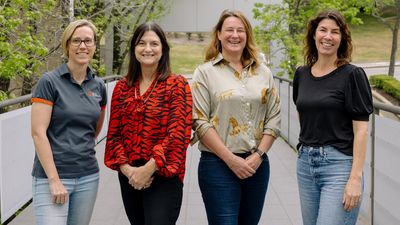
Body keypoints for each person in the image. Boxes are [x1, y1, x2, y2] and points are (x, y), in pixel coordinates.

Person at [191, 9, 281, 225]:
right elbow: (200, 121)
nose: (235, 35)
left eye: (240, 30)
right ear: (219, 35)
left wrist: (258, 155)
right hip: (217, 165)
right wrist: (231, 160)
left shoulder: (263, 72)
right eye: (229, 29)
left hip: (256, 165)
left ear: (247, 35)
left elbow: (274, 117)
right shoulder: (204, 72)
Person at [104, 22, 192, 225]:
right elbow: (114, 135)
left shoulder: (176, 85)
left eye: (154, 43)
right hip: (129, 177)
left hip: (163, 175)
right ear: (134, 48)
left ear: (163, 49)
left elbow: (178, 135)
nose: (147, 49)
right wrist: (129, 171)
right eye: (141, 43)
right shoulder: (122, 88)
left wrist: (148, 169)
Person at [293, 9, 373, 225]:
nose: (328, 36)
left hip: (339, 167)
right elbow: (304, 114)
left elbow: (362, 130)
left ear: (342, 38)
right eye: (323, 30)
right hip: (305, 165)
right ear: (313, 34)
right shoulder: (301, 74)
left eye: (335, 32)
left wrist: (355, 178)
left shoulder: (352, 75)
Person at [31, 19, 107, 225]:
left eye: (88, 41)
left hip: (88, 176)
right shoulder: (49, 82)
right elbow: (38, 133)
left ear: (94, 46)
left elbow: (94, 129)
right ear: (67, 45)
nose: (82, 46)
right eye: (76, 41)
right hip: (52, 177)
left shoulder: (99, 86)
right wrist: (54, 180)